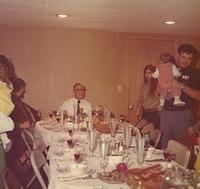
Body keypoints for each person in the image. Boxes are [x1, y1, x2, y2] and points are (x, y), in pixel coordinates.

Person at [160, 44, 200, 149]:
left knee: (180, 148)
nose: (186, 61)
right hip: (166, 113)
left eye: (189, 59)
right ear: (178, 55)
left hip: (182, 114)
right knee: (165, 146)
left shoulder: (196, 73)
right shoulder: (170, 68)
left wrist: (182, 86)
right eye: (183, 57)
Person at [6, 78, 41, 167]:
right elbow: (7, 121)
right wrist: (20, 125)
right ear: (17, 88)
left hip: (26, 133)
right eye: (23, 88)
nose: (24, 90)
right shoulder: (10, 101)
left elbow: (29, 109)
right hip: (17, 138)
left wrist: (36, 113)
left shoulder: (16, 99)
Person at [0, 55, 14, 189]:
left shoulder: (4, 87)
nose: (5, 72)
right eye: (3, 68)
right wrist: (10, 124)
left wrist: (5, 139)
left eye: (5, 68)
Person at [135, 64, 160, 131]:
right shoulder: (143, 86)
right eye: (146, 73)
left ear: (154, 74)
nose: (148, 75)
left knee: (145, 132)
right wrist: (138, 108)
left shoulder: (158, 86)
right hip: (145, 113)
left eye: (150, 73)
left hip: (155, 114)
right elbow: (141, 100)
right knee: (136, 129)